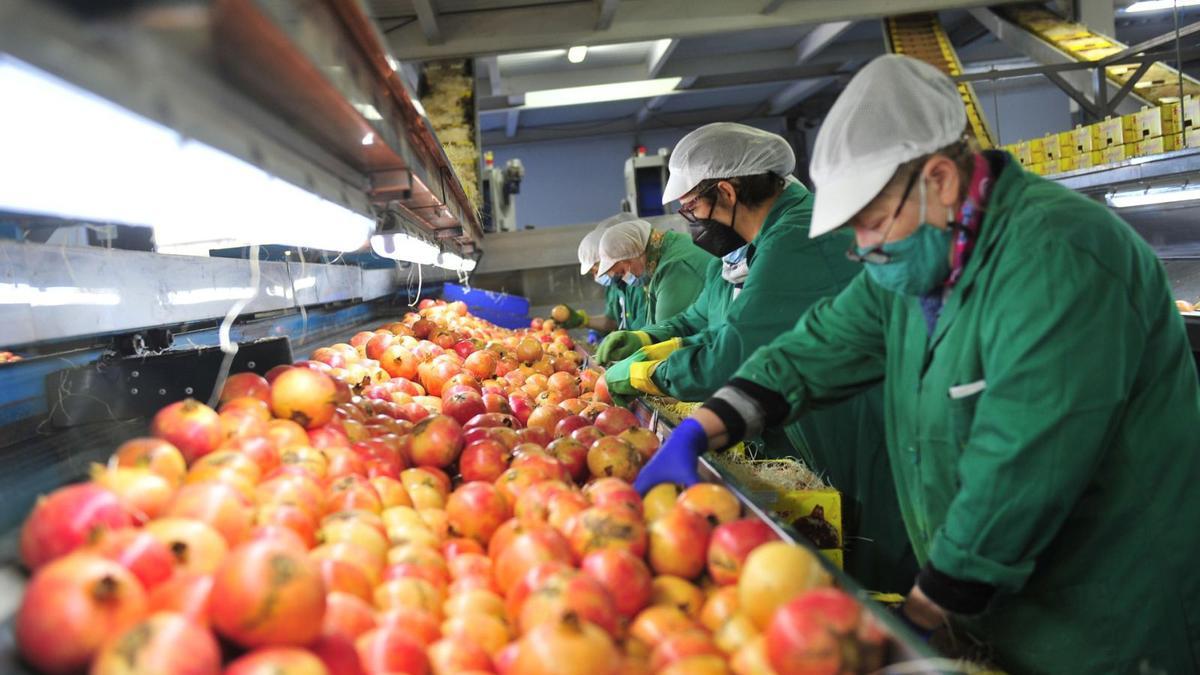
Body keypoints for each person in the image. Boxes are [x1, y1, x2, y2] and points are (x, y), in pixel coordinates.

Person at [635, 55, 1200, 674]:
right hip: (1000, 601)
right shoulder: (918, 258)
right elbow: (820, 345)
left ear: (941, 179)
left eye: (873, 221)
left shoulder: (1059, 258)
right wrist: (708, 424)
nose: (863, 245)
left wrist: (924, 612)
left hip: (1104, 616)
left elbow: (1025, 463)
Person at [601, 122, 916, 593]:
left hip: (859, 417)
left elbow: (733, 353)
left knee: (887, 552)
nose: (689, 223)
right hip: (817, 402)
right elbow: (741, 337)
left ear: (725, 192)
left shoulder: (797, 238)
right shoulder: (756, 245)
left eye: (690, 208)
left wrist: (652, 373)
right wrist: (662, 353)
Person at [594, 216, 709, 330]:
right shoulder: (665, 251)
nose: (625, 279)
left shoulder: (674, 267)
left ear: (633, 254)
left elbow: (666, 331)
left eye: (623, 272)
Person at [557, 213, 648, 332]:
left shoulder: (639, 282)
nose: (597, 276)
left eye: (598, 270)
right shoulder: (616, 285)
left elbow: (646, 330)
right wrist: (584, 321)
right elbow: (613, 321)